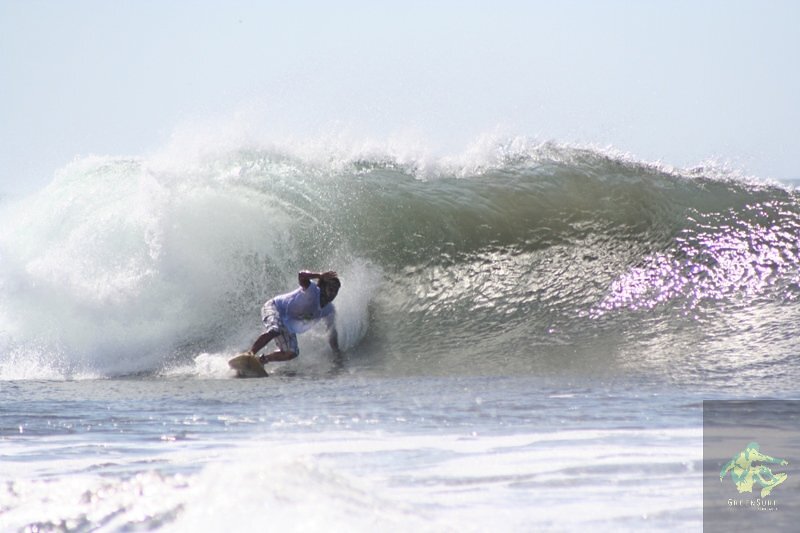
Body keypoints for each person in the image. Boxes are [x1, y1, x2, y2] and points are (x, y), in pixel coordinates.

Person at [244, 270, 341, 365]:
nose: (333, 294)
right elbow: (301, 275)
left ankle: (261, 361)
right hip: (275, 307)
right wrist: (319, 275)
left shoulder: (329, 310)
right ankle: (249, 355)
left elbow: (332, 333)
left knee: (292, 352)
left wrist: (337, 353)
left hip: (287, 322)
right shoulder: (312, 290)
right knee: (275, 329)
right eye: (331, 289)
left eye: (336, 291)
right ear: (323, 287)